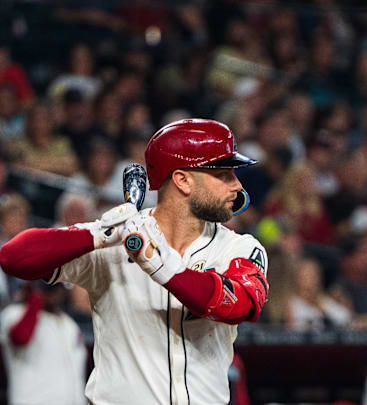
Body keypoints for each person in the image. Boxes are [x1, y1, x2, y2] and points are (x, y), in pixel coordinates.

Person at [0, 119, 269, 404]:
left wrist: (162, 265)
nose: (237, 185)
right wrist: (99, 233)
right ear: (183, 180)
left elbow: (240, 304)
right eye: (224, 174)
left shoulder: (239, 247)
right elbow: (13, 258)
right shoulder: (116, 241)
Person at [0, 282, 87, 405]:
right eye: (49, 286)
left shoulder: (69, 324)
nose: (54, 292)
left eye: (58, 287)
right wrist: (36, 298)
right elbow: (20, 337)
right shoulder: (14, 313)